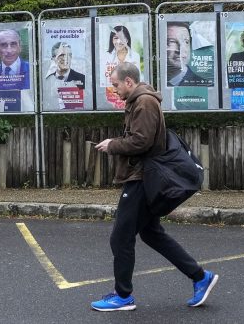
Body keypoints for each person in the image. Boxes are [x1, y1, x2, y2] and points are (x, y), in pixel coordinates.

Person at [91, 62, 218, 312]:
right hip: (141, 176)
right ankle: (200, 277)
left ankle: (123, 296)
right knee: (150, 233)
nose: (114, 89)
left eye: (116, 84)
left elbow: (142, 141)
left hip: (141, 179)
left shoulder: (145, 102)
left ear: (129, 82)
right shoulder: (138, 101)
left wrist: (112, 145)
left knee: (121, 237)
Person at [43, 42, 85, 109]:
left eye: (69, 55)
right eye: (61, 55)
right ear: (53, 58)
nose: (65, 59)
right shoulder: (47, 80)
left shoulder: (82, 79)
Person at [165, 22, 209, 87]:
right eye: (172, 42)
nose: (180, 49)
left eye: (186, 42)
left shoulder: (205, 85)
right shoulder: (158, 83)